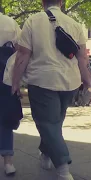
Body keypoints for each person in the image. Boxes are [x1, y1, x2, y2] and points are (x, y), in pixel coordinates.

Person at [11, 0, 91, 179]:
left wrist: (15, 82)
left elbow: (23, 55)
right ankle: (46, 154)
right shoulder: (75, 24)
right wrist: (87, 84)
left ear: (42, 3)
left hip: (42, 81)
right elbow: (83, 59)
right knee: (55, 123)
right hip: (70, 82)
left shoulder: (33, 21)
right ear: (62, 3)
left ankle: (63, 168)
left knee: (48, 124)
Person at [0, 11, 22, 176]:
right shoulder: (10, 22)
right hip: (5, 77)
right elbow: (21, 51)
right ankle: (8, 163)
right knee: (6, 119)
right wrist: (17, 81)